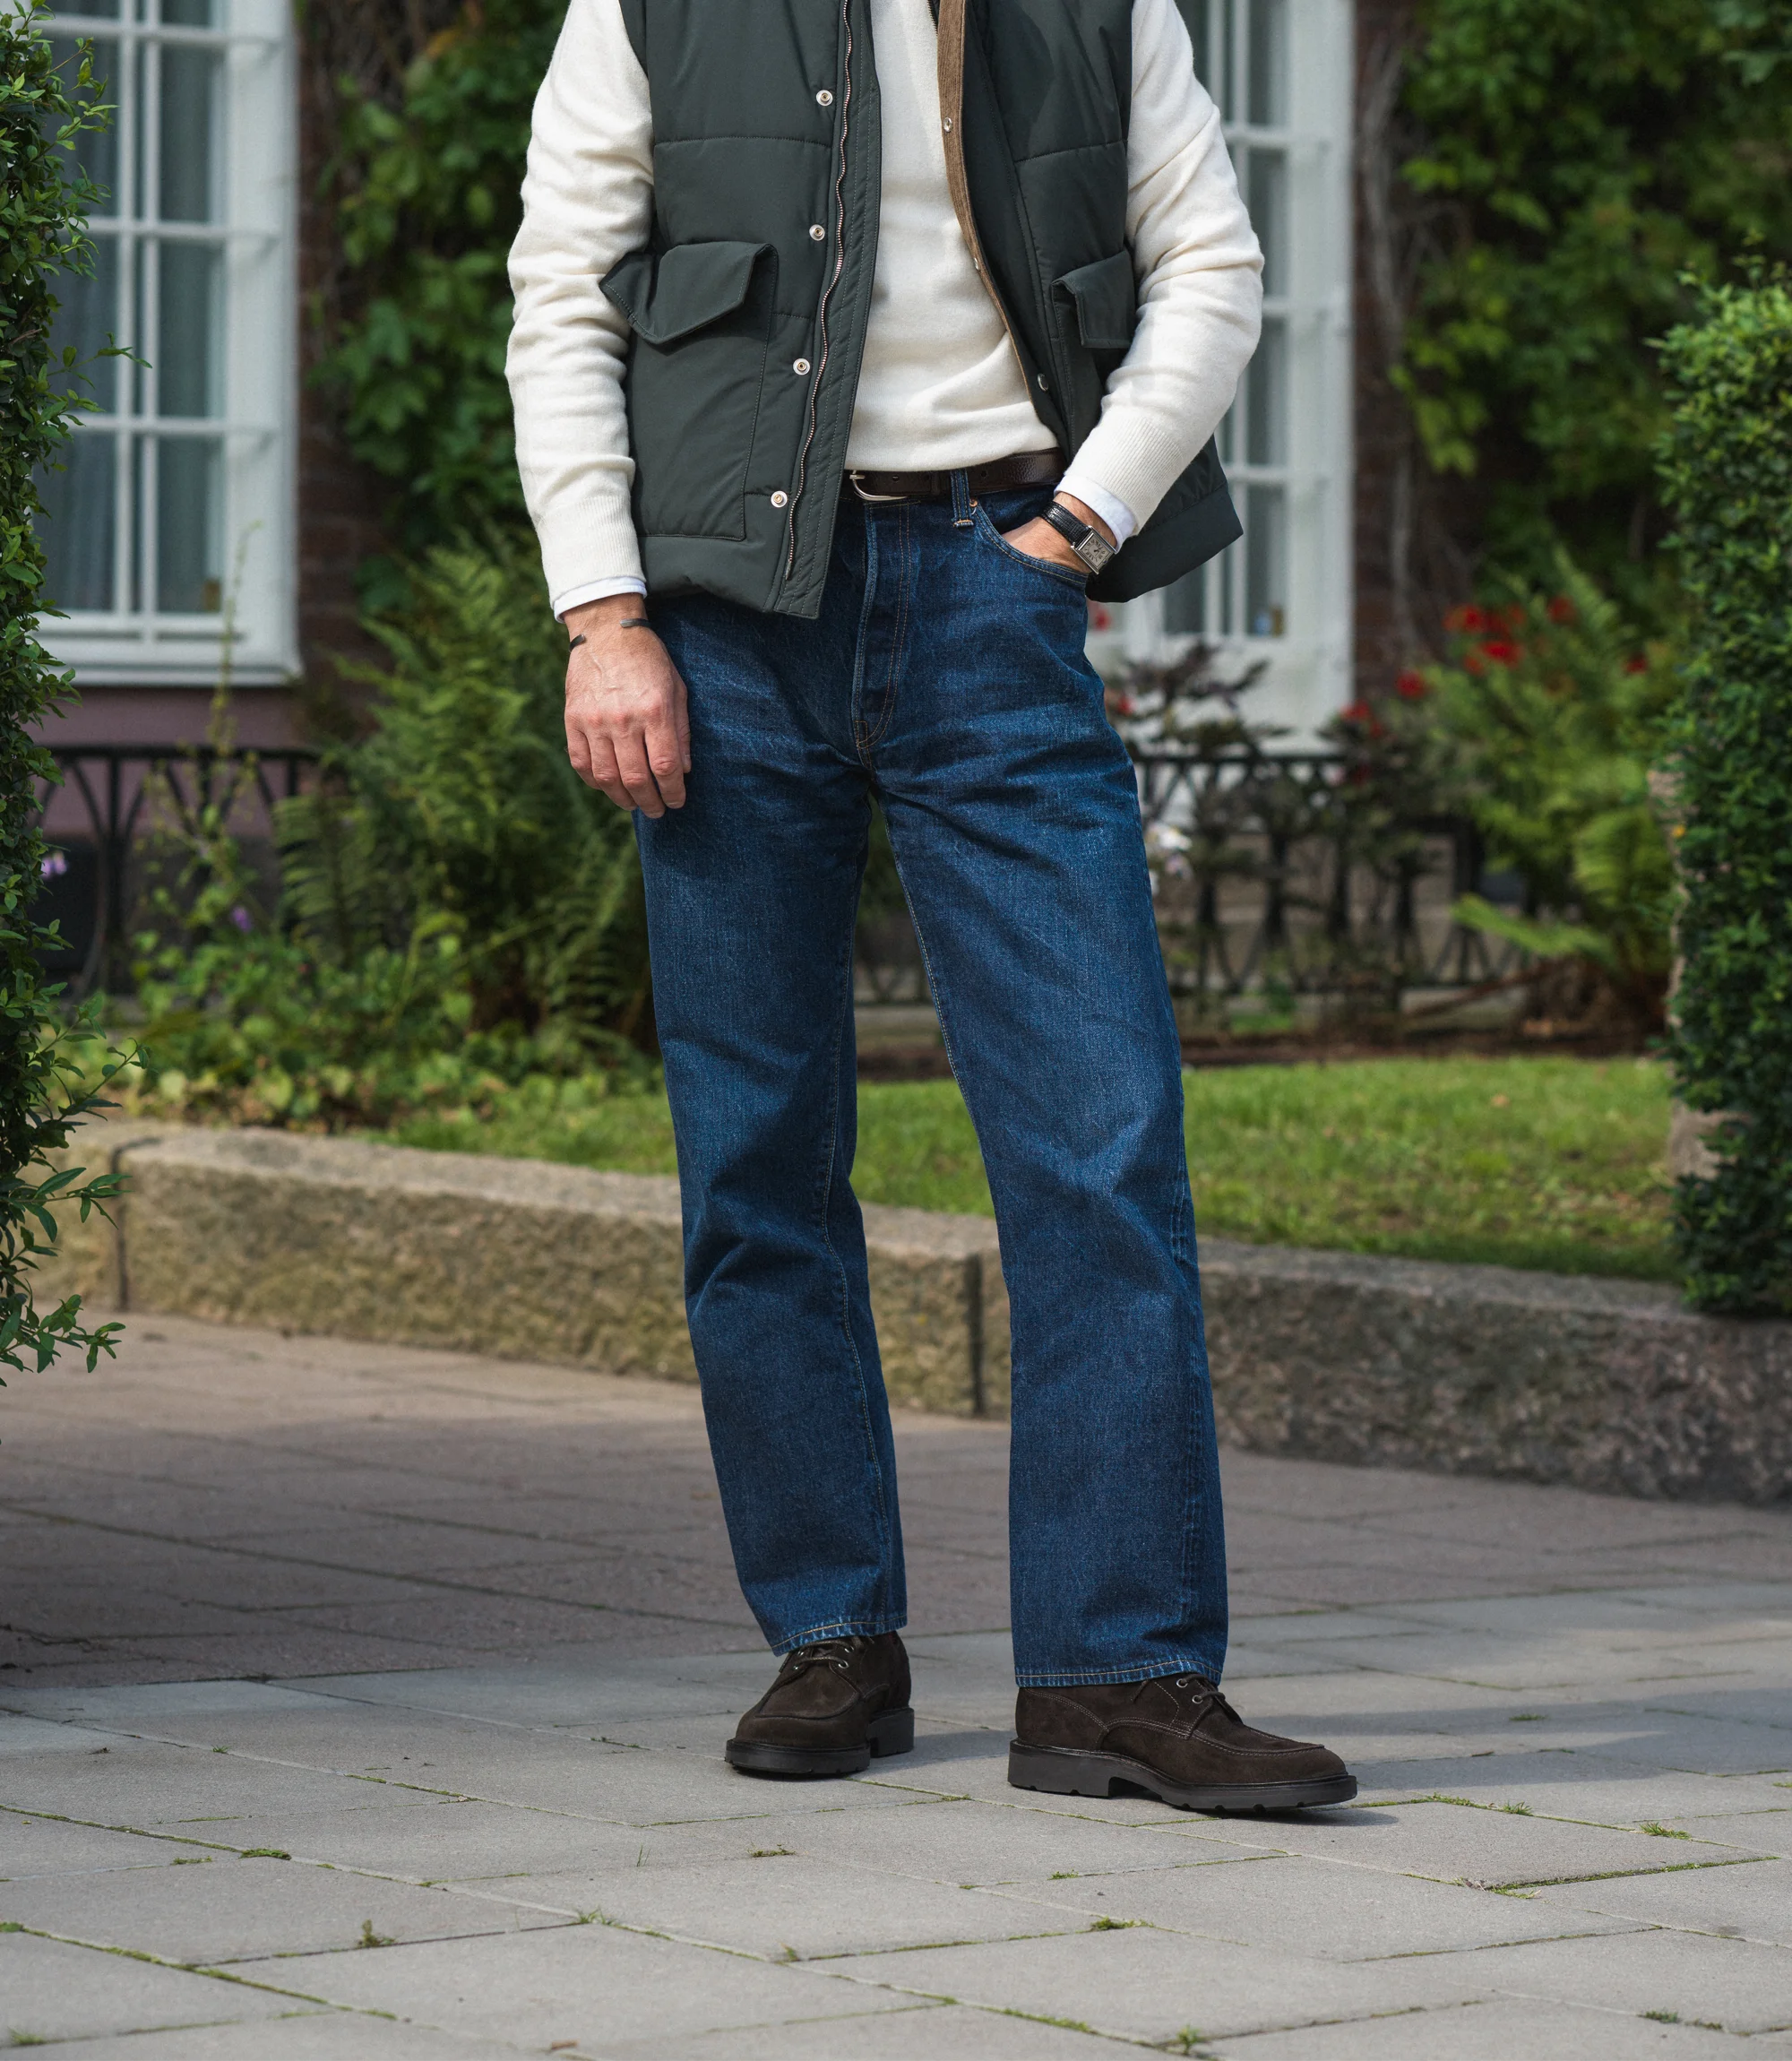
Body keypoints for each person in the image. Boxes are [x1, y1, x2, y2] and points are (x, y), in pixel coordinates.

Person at [507, 0, 1356, 1814]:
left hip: (993, 595)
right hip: (729, 622)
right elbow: (563, 297)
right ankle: (832, 1639)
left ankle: (1119, 1677)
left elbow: (1211, 263)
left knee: (1102, 1142)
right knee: (757, 1153)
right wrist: (605, 615)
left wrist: (1078, 527)